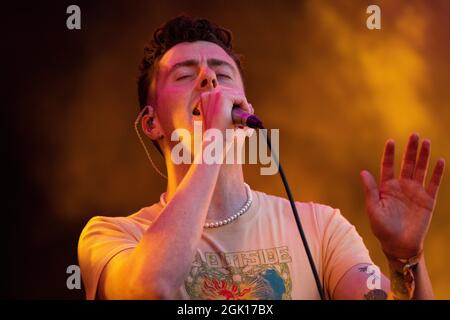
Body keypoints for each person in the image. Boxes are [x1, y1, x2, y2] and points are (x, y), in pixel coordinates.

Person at [78, 15, 445, 300]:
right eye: (186, 75)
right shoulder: (113, 236)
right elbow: (151, 287)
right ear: (152, 122)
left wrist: (404, 261)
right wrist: (213, 143)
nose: (208, 79)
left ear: (245, 107)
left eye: (221, 73)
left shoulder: (321, 229)